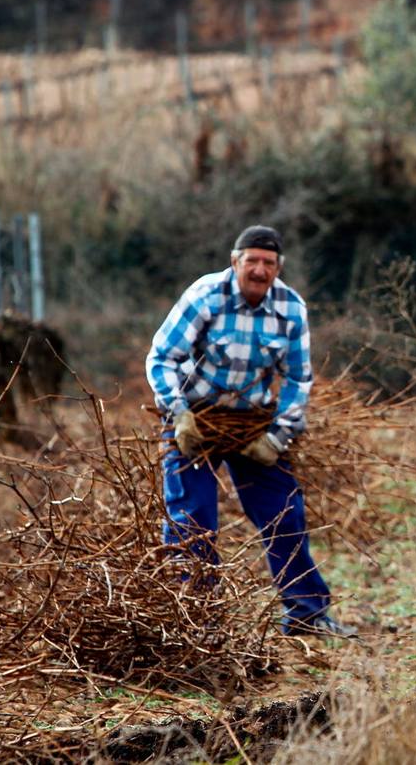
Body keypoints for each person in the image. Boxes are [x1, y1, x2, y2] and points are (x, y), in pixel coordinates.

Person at [146, 225, 354, 637]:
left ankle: (307, 614)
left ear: (279, 268)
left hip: (251, 422)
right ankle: (194, 620)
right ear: (234, 261)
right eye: (252, 261)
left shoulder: (290, 308)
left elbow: (297, 379)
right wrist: (178, 413)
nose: (259, 270)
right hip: (195, 420)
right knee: (192, 519)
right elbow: (162, 357)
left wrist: (277, 437)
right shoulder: (206, 296)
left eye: (269, 263)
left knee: (285, 513)